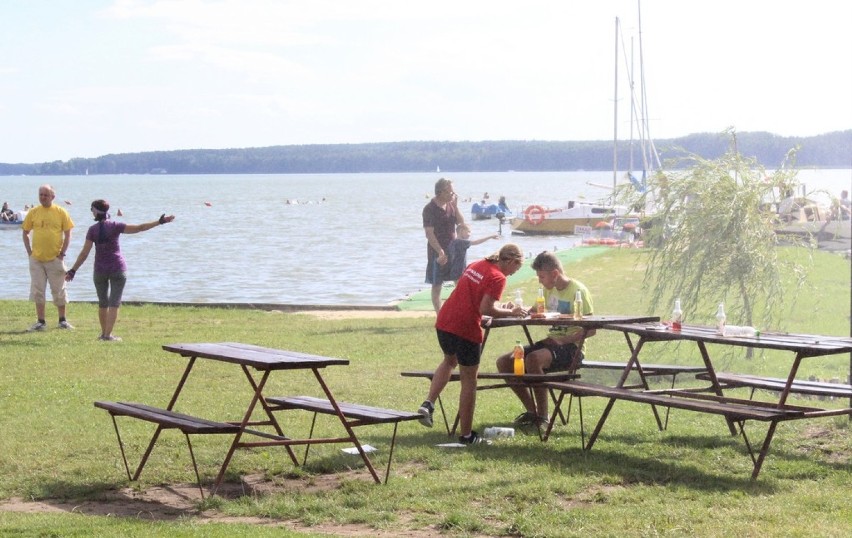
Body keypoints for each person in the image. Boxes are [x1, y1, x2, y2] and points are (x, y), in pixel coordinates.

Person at [416, 243, 527, 445]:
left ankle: (428, 403)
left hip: (445, 321)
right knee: (469, 382)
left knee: (449, 361)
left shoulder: (477, 264)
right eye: (515, 269)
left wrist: (500, 306)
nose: (512, 274)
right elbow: (486, 308)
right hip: (466, 329)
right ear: (510, 261)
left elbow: (474, 298)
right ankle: (467, 436)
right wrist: (511, 312)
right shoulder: (498, 277)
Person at [495, 251, 594, 428]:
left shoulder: (578, 291)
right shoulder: (549, 291)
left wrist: (565, 340)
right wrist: (514, 309)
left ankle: (543, 417)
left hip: (572, 349)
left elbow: (592, 329)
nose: (539, 280)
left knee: (533, 359)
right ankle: (532, 411)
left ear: (555, 274)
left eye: (541, 276)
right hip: (551, 343)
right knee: (504, 362)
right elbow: (534, 310)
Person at [64, 199, 174, 341]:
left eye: (91, 209)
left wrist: (73, 270)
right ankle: (107, 335)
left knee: (103, 303)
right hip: (118, 268)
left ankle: (104, 334)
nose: (91, 212)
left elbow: (84, 253)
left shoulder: (92, 230)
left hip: (100, 270)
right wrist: (159, 222)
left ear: (96, 211)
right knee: (114, 303)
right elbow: (140, 227)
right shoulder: (116, 226)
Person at [21, 184, 75, 331]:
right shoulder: (33, 212)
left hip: (55, 258)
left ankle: (62, 320)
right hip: (36, 259)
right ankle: (40, 321)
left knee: (59, 289)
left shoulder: (61, 212)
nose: (43, 197)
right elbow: (25, 232)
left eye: (46, 195)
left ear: (52, 197)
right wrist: (29, 252)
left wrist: (62, 254)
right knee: (38, 290)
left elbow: (68, 234)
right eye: (41, 194)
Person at [423, 177, 465, 312]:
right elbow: (429, 233)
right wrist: (440, 251)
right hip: (437, 250)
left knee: (458, 280)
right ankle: (439, 314)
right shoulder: (430, 209)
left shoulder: (451, 205)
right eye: (450, 192)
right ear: (440, 192)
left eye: (453, 192)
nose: (453, 195)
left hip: (453, 249)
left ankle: (458, 311)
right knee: (437, 284)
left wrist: (456, 206)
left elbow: (461, 223)